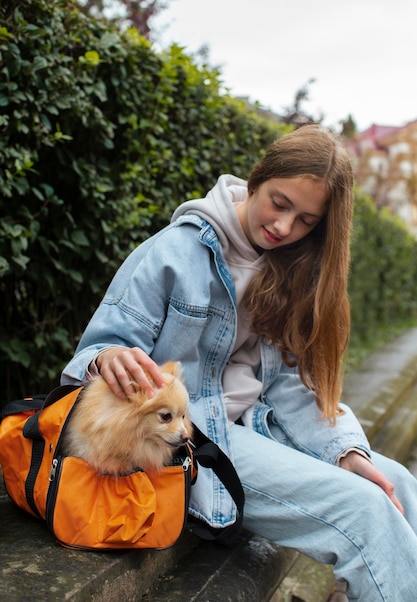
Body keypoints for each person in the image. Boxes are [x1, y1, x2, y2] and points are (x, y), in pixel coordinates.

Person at [62, 125, 417, 601]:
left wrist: (347, 451)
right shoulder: (175, 251)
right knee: (367, 511)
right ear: (256, 179)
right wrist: (109, 358)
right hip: (194, 441)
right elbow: (91, 353)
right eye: (280, 202)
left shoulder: (292, 265)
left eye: (308, 220)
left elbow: (294, 385)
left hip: (261, 425)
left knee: (398, 484)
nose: (286, 227)